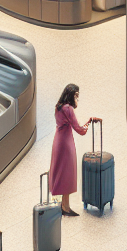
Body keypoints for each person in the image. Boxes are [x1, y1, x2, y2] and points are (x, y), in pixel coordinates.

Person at [48, 84, 100, 216]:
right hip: (66, 143)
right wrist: (88, 123)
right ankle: (65, 207)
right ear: (71, 95)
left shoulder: (58, 106)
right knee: (67, 173)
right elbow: (79, 129)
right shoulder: (68, 108)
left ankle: (64, 204)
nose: (77, 98)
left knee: (60, 171)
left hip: (58, 141)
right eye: (76, 95)